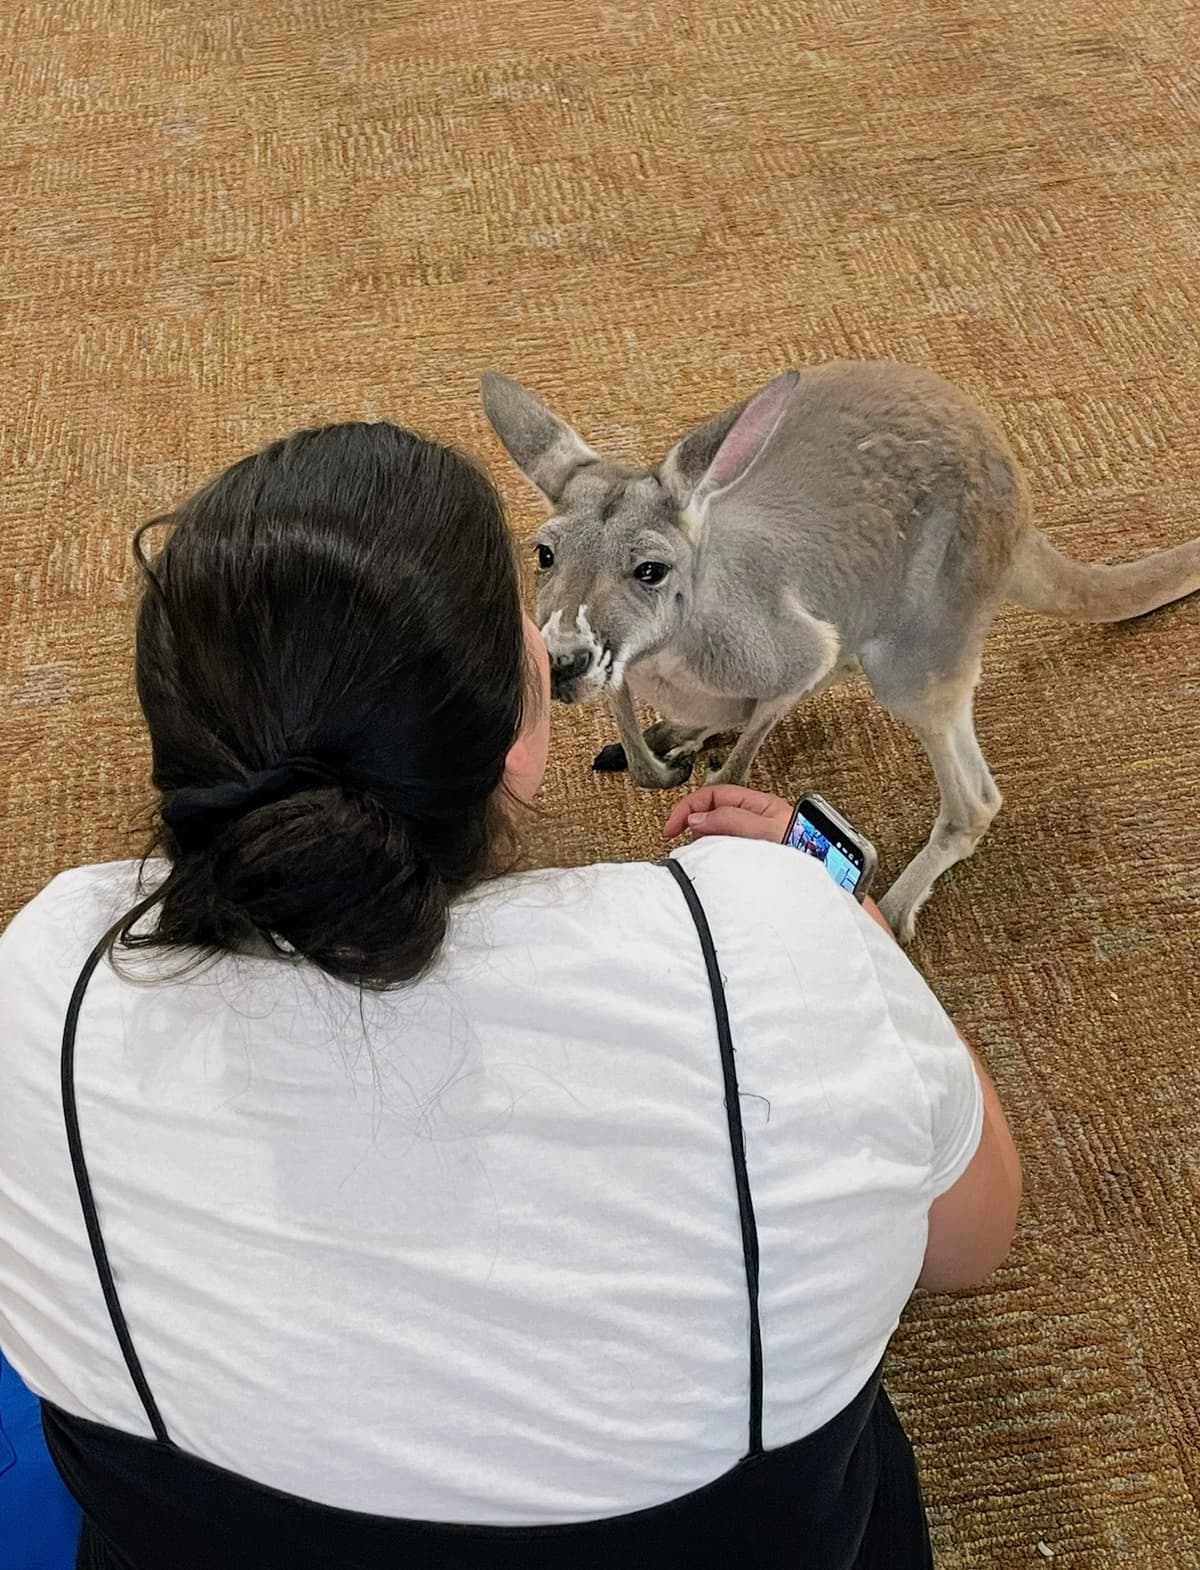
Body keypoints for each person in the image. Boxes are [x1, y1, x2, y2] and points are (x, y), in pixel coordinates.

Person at [0, 421, 1021, 1570]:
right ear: (530, 708)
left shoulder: (53, 979)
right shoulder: (766, 940)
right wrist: (860, 934)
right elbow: (972, 1240)